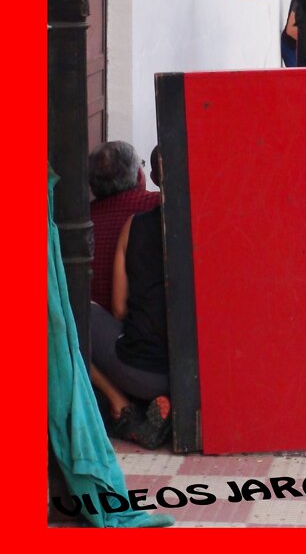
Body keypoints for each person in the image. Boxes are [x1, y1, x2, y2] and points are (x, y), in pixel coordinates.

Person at [89, 146, 172, 450]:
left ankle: (118, 403)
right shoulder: (206, 224)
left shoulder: (128, 223)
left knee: (66, 318)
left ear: (150, 175)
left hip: (135, 366)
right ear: (139, 176)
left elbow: (120, 309)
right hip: (194, 373)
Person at [88, 142, 161, 310]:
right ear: (139, 176)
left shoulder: (83, 219)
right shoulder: (156, 206)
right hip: (141, 327)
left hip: (83, 329)